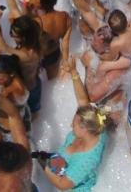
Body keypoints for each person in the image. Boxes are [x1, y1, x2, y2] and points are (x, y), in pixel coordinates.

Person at [37, 55, 112, 191]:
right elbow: (83, 102)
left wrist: (45, 167)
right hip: (60, 165)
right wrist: (74, 73)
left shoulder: (87, 161)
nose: (71, 126)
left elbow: (63, 185)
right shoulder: (96, 123)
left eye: (75, 124)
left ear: (84, 128)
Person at [0, 54, 32, 134]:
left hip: (16, 126)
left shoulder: (15, 87)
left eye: (1, 78)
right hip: (19, 116)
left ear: (11, 74)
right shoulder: (12, 78)